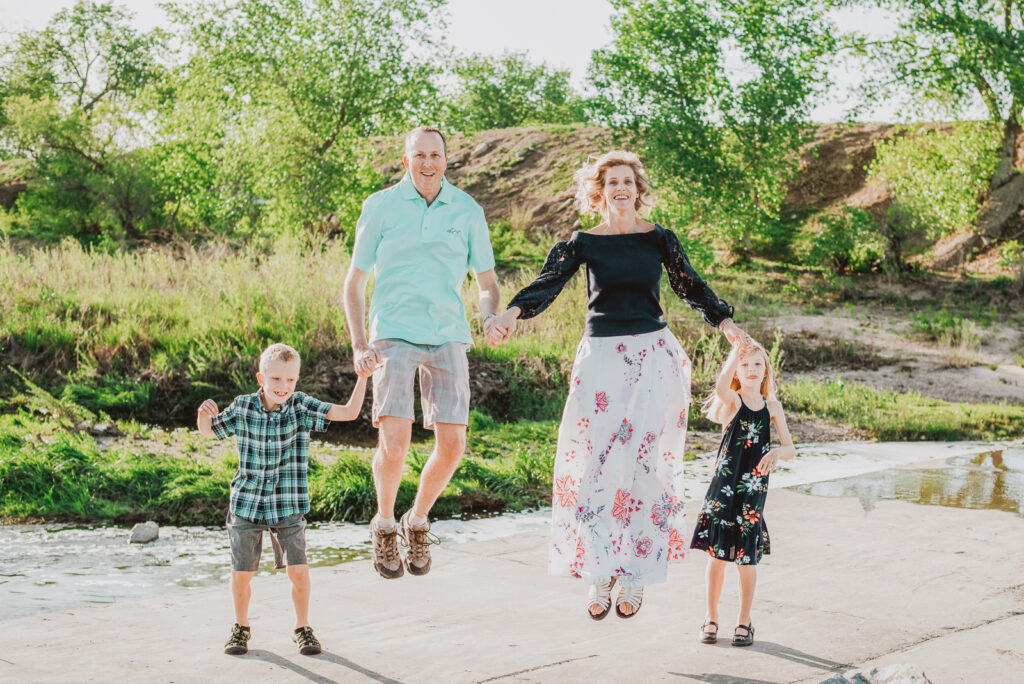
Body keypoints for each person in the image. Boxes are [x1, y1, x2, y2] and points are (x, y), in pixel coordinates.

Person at [488, 150, 750, 619]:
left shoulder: (659, 239)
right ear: (600, 192)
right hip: (601, 362)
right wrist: (512, 313)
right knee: (597, 464)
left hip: (652, 358)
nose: (621, 189)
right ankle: (599, 570)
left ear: (638, 190)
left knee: (644, 464)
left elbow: (690, 285)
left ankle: (636, 572)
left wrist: (725, 323)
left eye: (628, 181)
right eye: (612, 183)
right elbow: (548, 283)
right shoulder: (584, 242)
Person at [343, 126, 502, 579]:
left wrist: (489, 317)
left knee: (453, 446)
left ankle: (417, 521)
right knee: (394, 444)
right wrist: (359, 342)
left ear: (446, 160)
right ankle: (384, 524)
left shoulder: (467, 210)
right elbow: (354, 282)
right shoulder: (380, 206)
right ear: (406, 159)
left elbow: (487, 283)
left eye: (435, 155)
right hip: (393, 333)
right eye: (419, 155)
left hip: (448, 333)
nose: (427, 163)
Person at [197, 343, 370, 656]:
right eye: (276, 379)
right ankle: (240, 627)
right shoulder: (243, 406)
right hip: (247, 503)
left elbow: (349, 412)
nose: (283, 386)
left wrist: (363, 377)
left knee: (298, 571)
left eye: (290, 380)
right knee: (242, 574)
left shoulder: (300, 406)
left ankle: (302, 628)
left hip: (288, 504)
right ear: (261, 379)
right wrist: (203, 415)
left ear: (297, 380)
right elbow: (210, 432)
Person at [690, 339, 795, 646]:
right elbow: (721, 386)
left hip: (753, 489)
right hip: (724, 487)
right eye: (745, 365)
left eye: (757, 364)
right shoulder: (733, 401)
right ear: (737, 370)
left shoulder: (772, 408)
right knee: (718, 556)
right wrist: (737, 350)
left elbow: (790, 449)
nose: (751, 369)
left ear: (766, 370)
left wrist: (776, 452)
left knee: (746, 558)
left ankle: (744, 622)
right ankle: (711, 618)